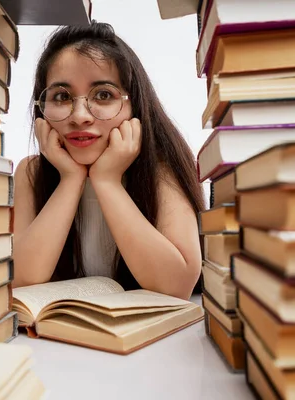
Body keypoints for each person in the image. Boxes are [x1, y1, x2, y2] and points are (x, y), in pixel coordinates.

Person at [13, 22, 204, 300]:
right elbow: (21, 279)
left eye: (103, 95)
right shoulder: (31, 172)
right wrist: (70, 179)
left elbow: (176, 287)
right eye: (62, 96)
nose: (80, 116)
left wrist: (107, 181)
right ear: (41, 109)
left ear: (134, 106)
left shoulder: (161, 168)